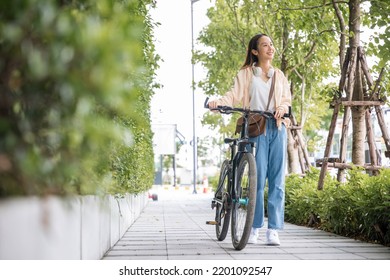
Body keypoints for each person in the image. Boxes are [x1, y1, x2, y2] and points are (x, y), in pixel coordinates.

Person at [207, 33, 291, 246]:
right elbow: (232, 95)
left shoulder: (279, 75)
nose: (270, 48)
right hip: (256, 126)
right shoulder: (246, 74)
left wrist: (282, 107)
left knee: (277, 181)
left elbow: (287, 100)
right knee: (258, 179)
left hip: (278, 127)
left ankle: (273, 229)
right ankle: (253, 228)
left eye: (271, 44)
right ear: (255, 51)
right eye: (265, 45)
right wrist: (218, 103)